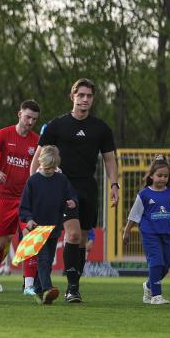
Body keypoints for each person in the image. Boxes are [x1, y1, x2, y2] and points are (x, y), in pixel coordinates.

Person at [31, 78, 119, 303]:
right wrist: (34, 185)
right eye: (81, 95)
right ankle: (69, 287)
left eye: (89, 96)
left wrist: (114, 185)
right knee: (72, 234)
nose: (85, 99)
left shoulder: (101, 128)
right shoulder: (56, 125)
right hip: (61, 186)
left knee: (81, 241)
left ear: (93, 99)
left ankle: (74, 285)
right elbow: (38, 157)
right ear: (72, 97)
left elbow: (110, 160)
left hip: (88, 187)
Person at [0, 100, 40, 295]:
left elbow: (41, 165)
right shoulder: (3, 135)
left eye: (34, 119)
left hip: (26, 199)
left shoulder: (37, 140)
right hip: (4, 197)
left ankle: (29, 285)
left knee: (30, 238)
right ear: (19, 115)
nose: (30, 122)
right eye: (27, 117)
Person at [123, 156, 170, 305]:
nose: (162, 179)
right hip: (150, 234)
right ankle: (156, 296)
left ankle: (148, 286)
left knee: (165, 266)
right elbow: (134, 215)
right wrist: (127, 231)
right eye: (159, 175)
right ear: (151, 176)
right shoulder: (144, 195)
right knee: (156, 262)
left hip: (167, 233)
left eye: (166, 176)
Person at [19, 146, 78, 304]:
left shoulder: (61, 179)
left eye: (53, 168)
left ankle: (39, 291)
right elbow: (24, 207)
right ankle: (47, 289)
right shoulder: (33, 182)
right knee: (43, 259)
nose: (51, 170)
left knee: (49, 259)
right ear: (40, 163)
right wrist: (29, 219)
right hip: (37, 228)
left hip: (55, 226)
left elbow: (71, 195)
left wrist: (73, 201)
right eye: (47, 167)